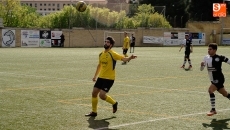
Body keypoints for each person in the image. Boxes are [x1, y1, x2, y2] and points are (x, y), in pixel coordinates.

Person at [85, 36, 137, 117]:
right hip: (101, 77)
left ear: (111, 45)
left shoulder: (113, 54)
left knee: (102, 95)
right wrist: (95, 76)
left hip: (109, 78)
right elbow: (99, 66)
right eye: (105, 42)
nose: (106, 43)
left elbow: (123, 59)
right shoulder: (101, 54)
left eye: (108, 42)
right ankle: (94, 112)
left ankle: (114, 103)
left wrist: (130, 57)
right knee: (94, 93)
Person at [200, 43, 230, 116]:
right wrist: (202, 66)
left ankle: (213, 110)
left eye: (210, 49)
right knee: (225, 94)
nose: (208, 51)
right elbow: (201, 69)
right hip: (212, 79)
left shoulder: (220, 57)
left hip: (219, 78)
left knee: (210, 90)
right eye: (208, 49)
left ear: (215, 50)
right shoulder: (206, 58)